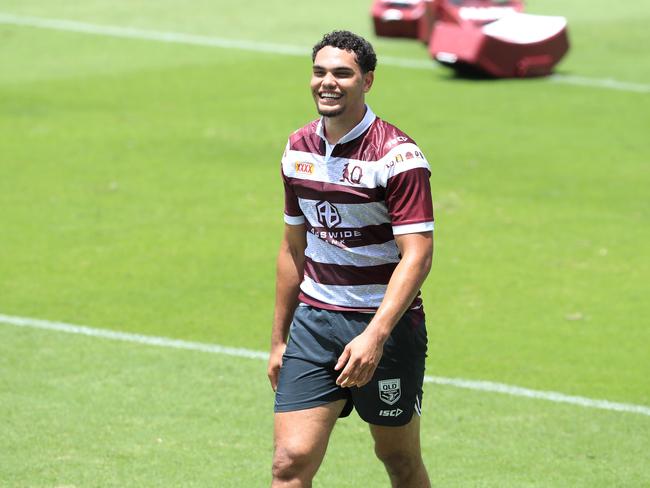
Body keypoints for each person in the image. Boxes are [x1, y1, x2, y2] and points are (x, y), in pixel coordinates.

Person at [268, 30, 434, 487]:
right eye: (319, 72)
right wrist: (278, 339)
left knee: (397, 458)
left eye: (342, 73)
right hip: (316, 322)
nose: (328, 82)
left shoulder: (398, 157)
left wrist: (374, 337)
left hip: (385, 327)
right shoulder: (297, 149)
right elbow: (292, 248)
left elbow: (416, 257)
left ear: (368, 81)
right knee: (289, 461)